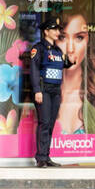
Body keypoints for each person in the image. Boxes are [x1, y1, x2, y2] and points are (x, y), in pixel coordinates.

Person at [27, 19, 70, 167]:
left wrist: (69, 57)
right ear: (46, 31)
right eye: (55, 29)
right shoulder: (39, 48)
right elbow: (33, 70)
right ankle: (40, 158)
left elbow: (66, 64)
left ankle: (46, 156)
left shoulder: (58, 51)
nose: (58, 32)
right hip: (44, 89)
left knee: (50, 124)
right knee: (44, 123)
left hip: (55, 91)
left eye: (59, 30)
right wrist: (37, 90)